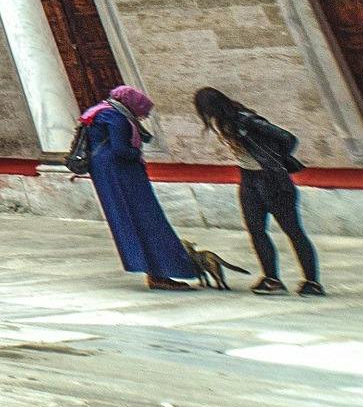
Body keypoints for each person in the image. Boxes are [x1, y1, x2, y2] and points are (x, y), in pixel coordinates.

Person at [195, 86, 322, 295]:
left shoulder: (245, 120)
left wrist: (274, 160)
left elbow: (287, 138)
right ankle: (272, 279)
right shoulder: (222, 123)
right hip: (249, 178)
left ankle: (312, 282)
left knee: (292, 230)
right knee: (255, 230)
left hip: (272, 179)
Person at [74, 84, 195, 290]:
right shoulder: (117, 118)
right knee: (148, 220)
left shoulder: (97, 112)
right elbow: (121, 149)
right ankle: (161, 272)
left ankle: (152, 270)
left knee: (128, 221)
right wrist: (137, 154)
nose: (142, 115)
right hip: (123, 174)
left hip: (104, 174)